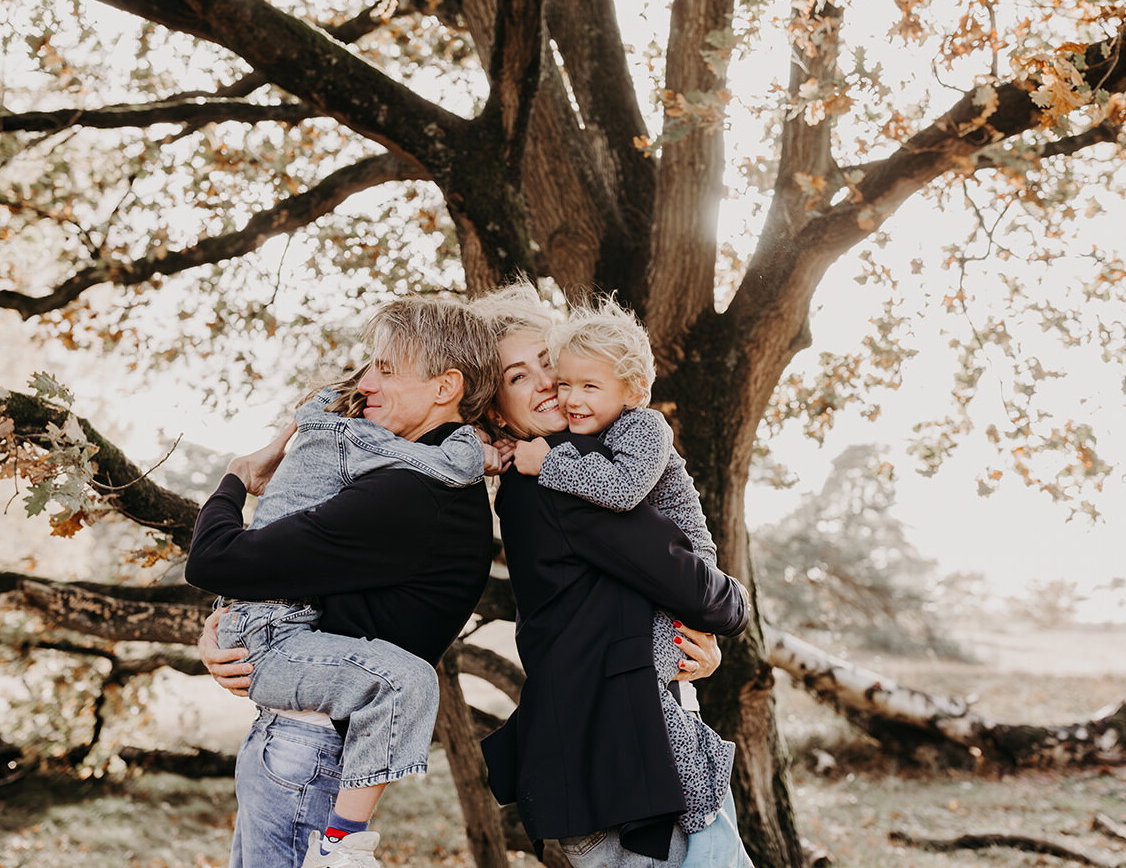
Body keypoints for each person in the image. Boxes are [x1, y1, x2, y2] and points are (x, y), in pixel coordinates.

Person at [188, 296, 500, 868]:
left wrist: (235, 478)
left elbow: (215, 559)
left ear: (444, 387)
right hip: (301, 745)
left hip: (309, 753)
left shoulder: (407, 495)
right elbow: (280, 584)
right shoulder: (420, 474)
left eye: (385, 367)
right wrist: (225, 632)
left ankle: (344, 848)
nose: (367, 382)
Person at [471, 284, 753, 868]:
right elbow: (689, 585)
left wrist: (696, 645)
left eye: (550, 363)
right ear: (496, 409)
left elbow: (639, 594)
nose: (549, 384)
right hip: (624, 765)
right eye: (518, 377)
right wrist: (733, 608)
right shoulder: (554, 484)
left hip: (622, 749)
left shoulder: (583, 461)